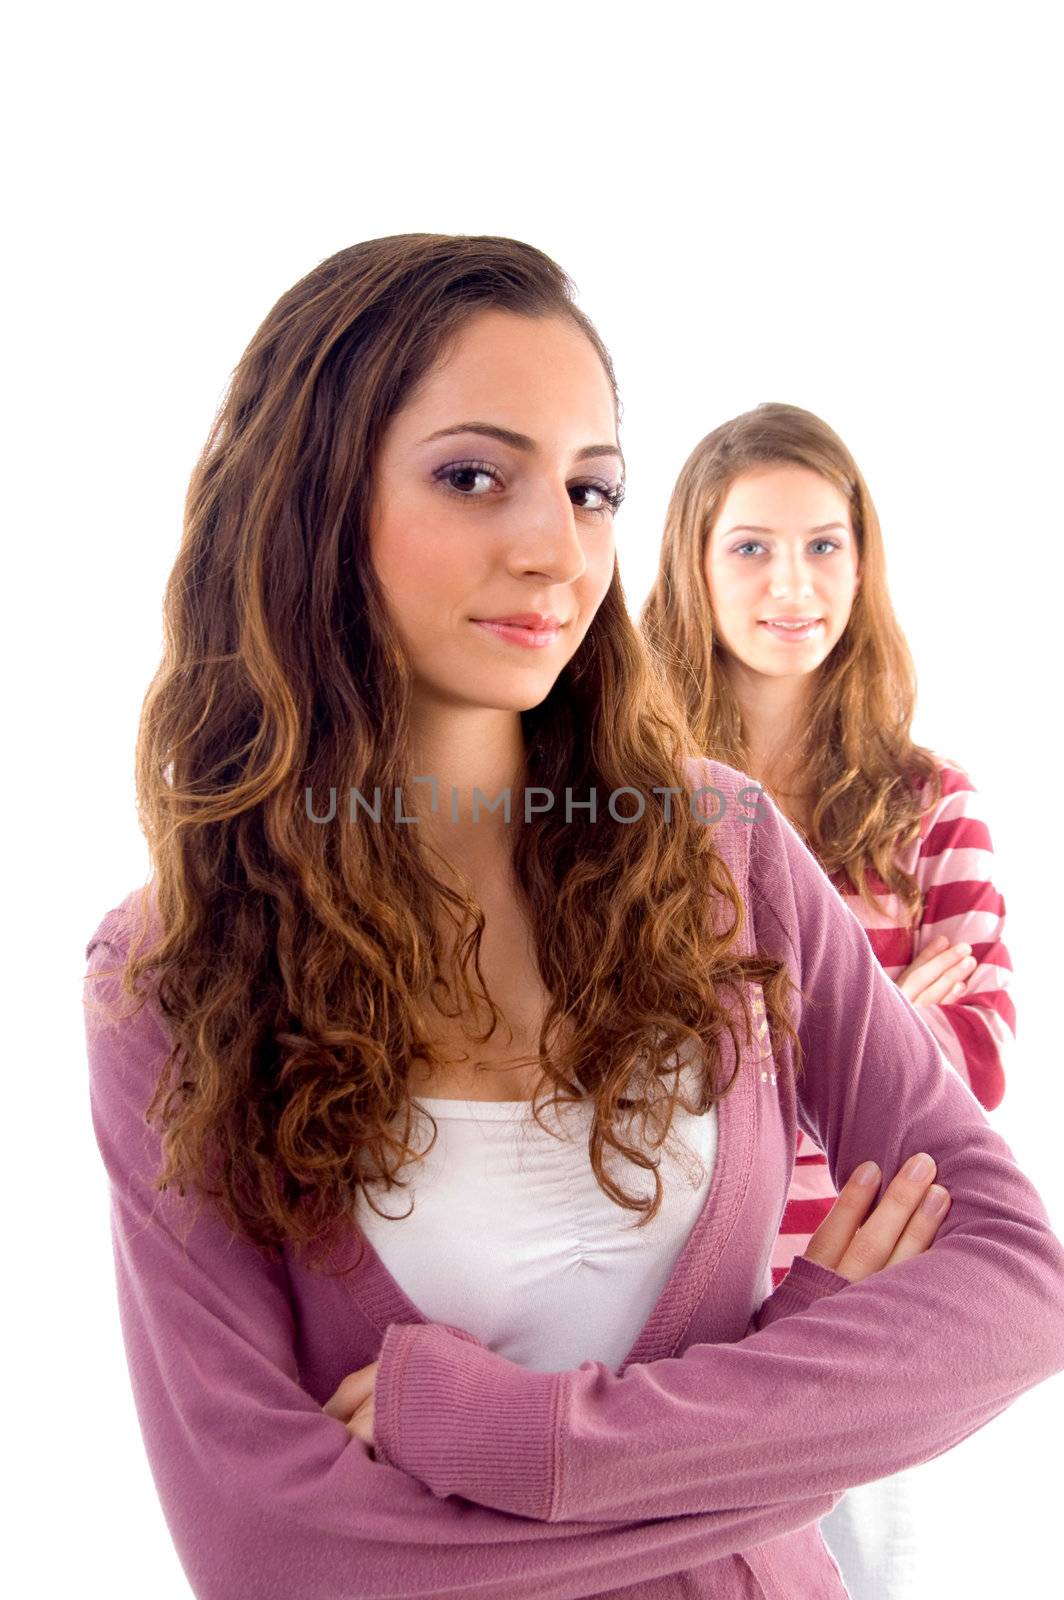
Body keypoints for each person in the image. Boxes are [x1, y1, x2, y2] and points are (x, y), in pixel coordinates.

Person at [84, 236, 1063, 1600]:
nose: (556, 549)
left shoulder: (728, 858)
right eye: (473, 476)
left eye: (593, 490)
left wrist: (518, 1440)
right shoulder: (170, 976)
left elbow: (1019, 1289)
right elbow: (272, 1552)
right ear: (307, 499)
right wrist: (801, 1407)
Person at [640, 400, 1015, 1597]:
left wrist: (753, 1021)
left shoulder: (927, 803)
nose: (789, 582)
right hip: (670, 1291)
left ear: (860, 564)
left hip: (883, 1284)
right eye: (749, 546)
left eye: (822, 544)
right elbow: (624, 1053)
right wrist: (877, 1011)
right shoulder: (627, 803)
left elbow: (977, 1060)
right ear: (694, 569)